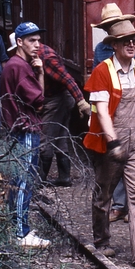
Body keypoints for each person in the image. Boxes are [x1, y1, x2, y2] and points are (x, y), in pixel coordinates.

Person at [83, 8, 135, 269]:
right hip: (111, 142)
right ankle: (102, 240)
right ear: (115, 45)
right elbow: (103, 114)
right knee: (103, 195)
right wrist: (113, 142)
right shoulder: (102, 72)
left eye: (134, 41)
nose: (132, 45)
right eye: (126, 41)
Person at [92, 3, 135, 222]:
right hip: (113, 122)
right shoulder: (101, 50)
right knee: (105, 188)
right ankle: (111, 220)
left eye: (113, 24)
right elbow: (99, 86)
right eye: (108, 26)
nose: (110, 28)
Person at [1, 21, 50, 248]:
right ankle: (21, 233)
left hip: (15, 127)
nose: (37, 45)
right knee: (24, 180)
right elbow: (39, 101)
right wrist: (40, 72)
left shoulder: (12, 64)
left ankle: (16, 228)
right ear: (19, 42)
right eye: (32, 40)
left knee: (17, 180)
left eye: (38, 40)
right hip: (26, 128)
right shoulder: (20, 67)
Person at [38, 43, 91, 187]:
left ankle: (38, 180)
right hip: (55, 96)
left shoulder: (46, 57)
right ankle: (64, 177)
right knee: (60, 136)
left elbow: (68, 79)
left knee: (46, 138)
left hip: (59, 98)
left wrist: (81, 102)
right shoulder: (34, 53)